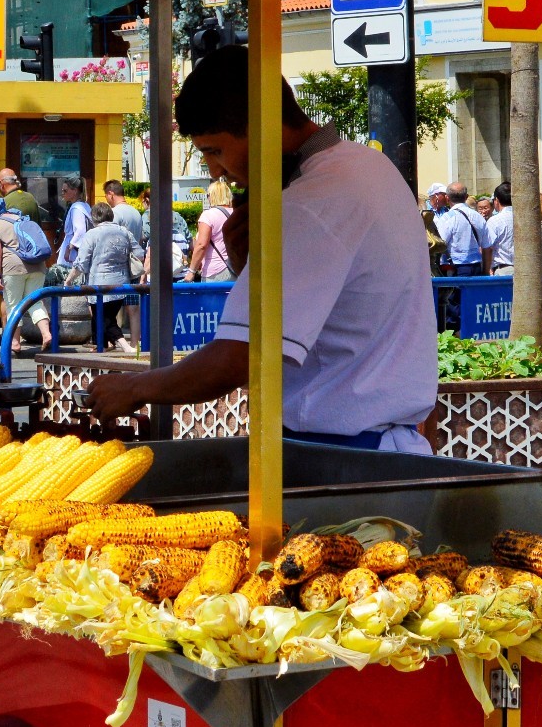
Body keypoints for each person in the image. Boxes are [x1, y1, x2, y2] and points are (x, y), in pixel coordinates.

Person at [83, 46, 437, 452]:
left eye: (215, 150)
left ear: (264, 125)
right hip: (375, 441)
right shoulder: (367, 165)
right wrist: (246, 260)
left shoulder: (309, 204)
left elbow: (238, 357)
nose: (214, 170)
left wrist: (133, 387)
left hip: (338, 449)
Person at [68, 201, 139, 351]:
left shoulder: (91, 234)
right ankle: (101, 346)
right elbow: (139, 253)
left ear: (94, 217)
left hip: (98, 285)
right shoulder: (124, 232)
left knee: (103, 318)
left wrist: (69, 280)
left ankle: (124, 345)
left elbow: (81, 263)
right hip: (121, 284)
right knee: (106, 317)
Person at [0, 204, 53, 355]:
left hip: (13, 268)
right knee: (35, 302)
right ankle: (46, 334)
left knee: (13, 304)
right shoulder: (26, 220)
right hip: (38, 266)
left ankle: (15, 342)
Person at [188, 179, 236, 282]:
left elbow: (201, 245)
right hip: (235, 268)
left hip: (215, 271)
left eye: (208, 195)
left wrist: (191, 271)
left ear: (213, 196)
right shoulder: (236, 213)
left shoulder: (208, 215)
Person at [55, 176, 93, 275]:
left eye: (65, 190)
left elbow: (80, 230)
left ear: (75, 191)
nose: (62, 193)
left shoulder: (76, 208)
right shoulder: (85, 205)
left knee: (67, 278)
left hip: (73, 251)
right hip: (78, 248)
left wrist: (69, 248)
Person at [105, 180, 147, 247]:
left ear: (110, 194)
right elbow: (140, 239)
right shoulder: (136, 212)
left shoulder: (114, 212)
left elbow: (110, 239)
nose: (106, 200)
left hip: (120, 256)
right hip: (135, 256)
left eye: (106, 196)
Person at [484, 181, 515, 273]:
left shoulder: (494, 221)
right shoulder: (525, 218)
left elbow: (488, 248)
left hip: (503, 269)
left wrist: (486, 271)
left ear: (496, 200)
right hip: (525, 270)